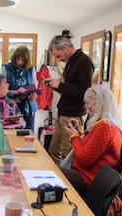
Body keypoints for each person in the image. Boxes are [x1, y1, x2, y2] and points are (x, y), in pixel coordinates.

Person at [59, 84, 122, 196]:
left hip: (89, 178)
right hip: (86, 174)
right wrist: (78, 132)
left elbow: (84, 159)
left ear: (101, 103)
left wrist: (74, 136)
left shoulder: (106, 127)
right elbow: (88, 147)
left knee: (52, 171)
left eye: (88, 103)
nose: (86, 107)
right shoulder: (104, 124)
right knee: (52, 169)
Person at [46, 30, 94, 164]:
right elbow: (70, 90)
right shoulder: (71, 62)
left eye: (58, 55)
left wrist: (60, 85)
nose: (58, 59)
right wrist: (56, 86)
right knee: (54, 150)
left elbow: (85, 92)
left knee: (68, 154)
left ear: (66, 48)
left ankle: (67, 183)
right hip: (63, 113)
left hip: (73, 116)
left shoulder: (84, 62)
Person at [2, 45, 38, 131]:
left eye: (23, 60)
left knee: (28, 132)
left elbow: (34, 86)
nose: (20, 62)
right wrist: (16, 92)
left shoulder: (31, 69)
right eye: (18, 59)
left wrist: (34, 95)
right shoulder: (6, 68)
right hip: (11, 106)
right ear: (14, 58)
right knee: (13, 132)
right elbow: (2, 90)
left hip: (28, 106)